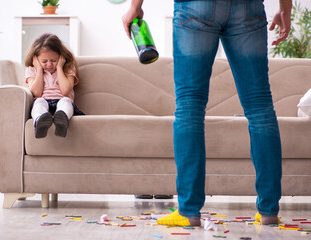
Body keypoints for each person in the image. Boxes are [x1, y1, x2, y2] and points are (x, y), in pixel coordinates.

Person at [123, 0, 292, 226]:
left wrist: (135, 5)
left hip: (196, 6)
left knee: (189, 105)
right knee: (260, 105)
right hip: (247, 7)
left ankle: (189, 211)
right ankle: (269, 210)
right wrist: (285, 9)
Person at [25, 33, 84, 139]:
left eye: (53, 60)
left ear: (61, 57)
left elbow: (65, 91)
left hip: (62, 103)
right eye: (44, 61)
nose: (49, 64)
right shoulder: (32, 70)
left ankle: (62, 120)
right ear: (36, 59)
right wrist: (39, 69)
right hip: (44, 104)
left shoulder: (68, 68)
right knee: (38, 102)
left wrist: (60, 68)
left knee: (65, 101)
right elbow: (36, 92)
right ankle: (39, 121)